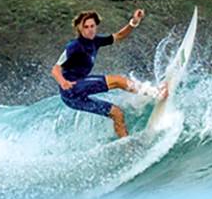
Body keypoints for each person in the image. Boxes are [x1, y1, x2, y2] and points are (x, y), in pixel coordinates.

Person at [53, 8, 158, 139]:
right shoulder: (74, 46)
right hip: (72, 89)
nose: (90, 29)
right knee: (118, 81)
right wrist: (63, 82)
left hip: (72, 100)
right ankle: (154, 93)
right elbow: (56, 68)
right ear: (80, 29)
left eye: (92, 26)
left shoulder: (96, 41)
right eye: (86, 27)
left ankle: (127, 146)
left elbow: (119, 36)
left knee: (117, 113)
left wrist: (134, 22)